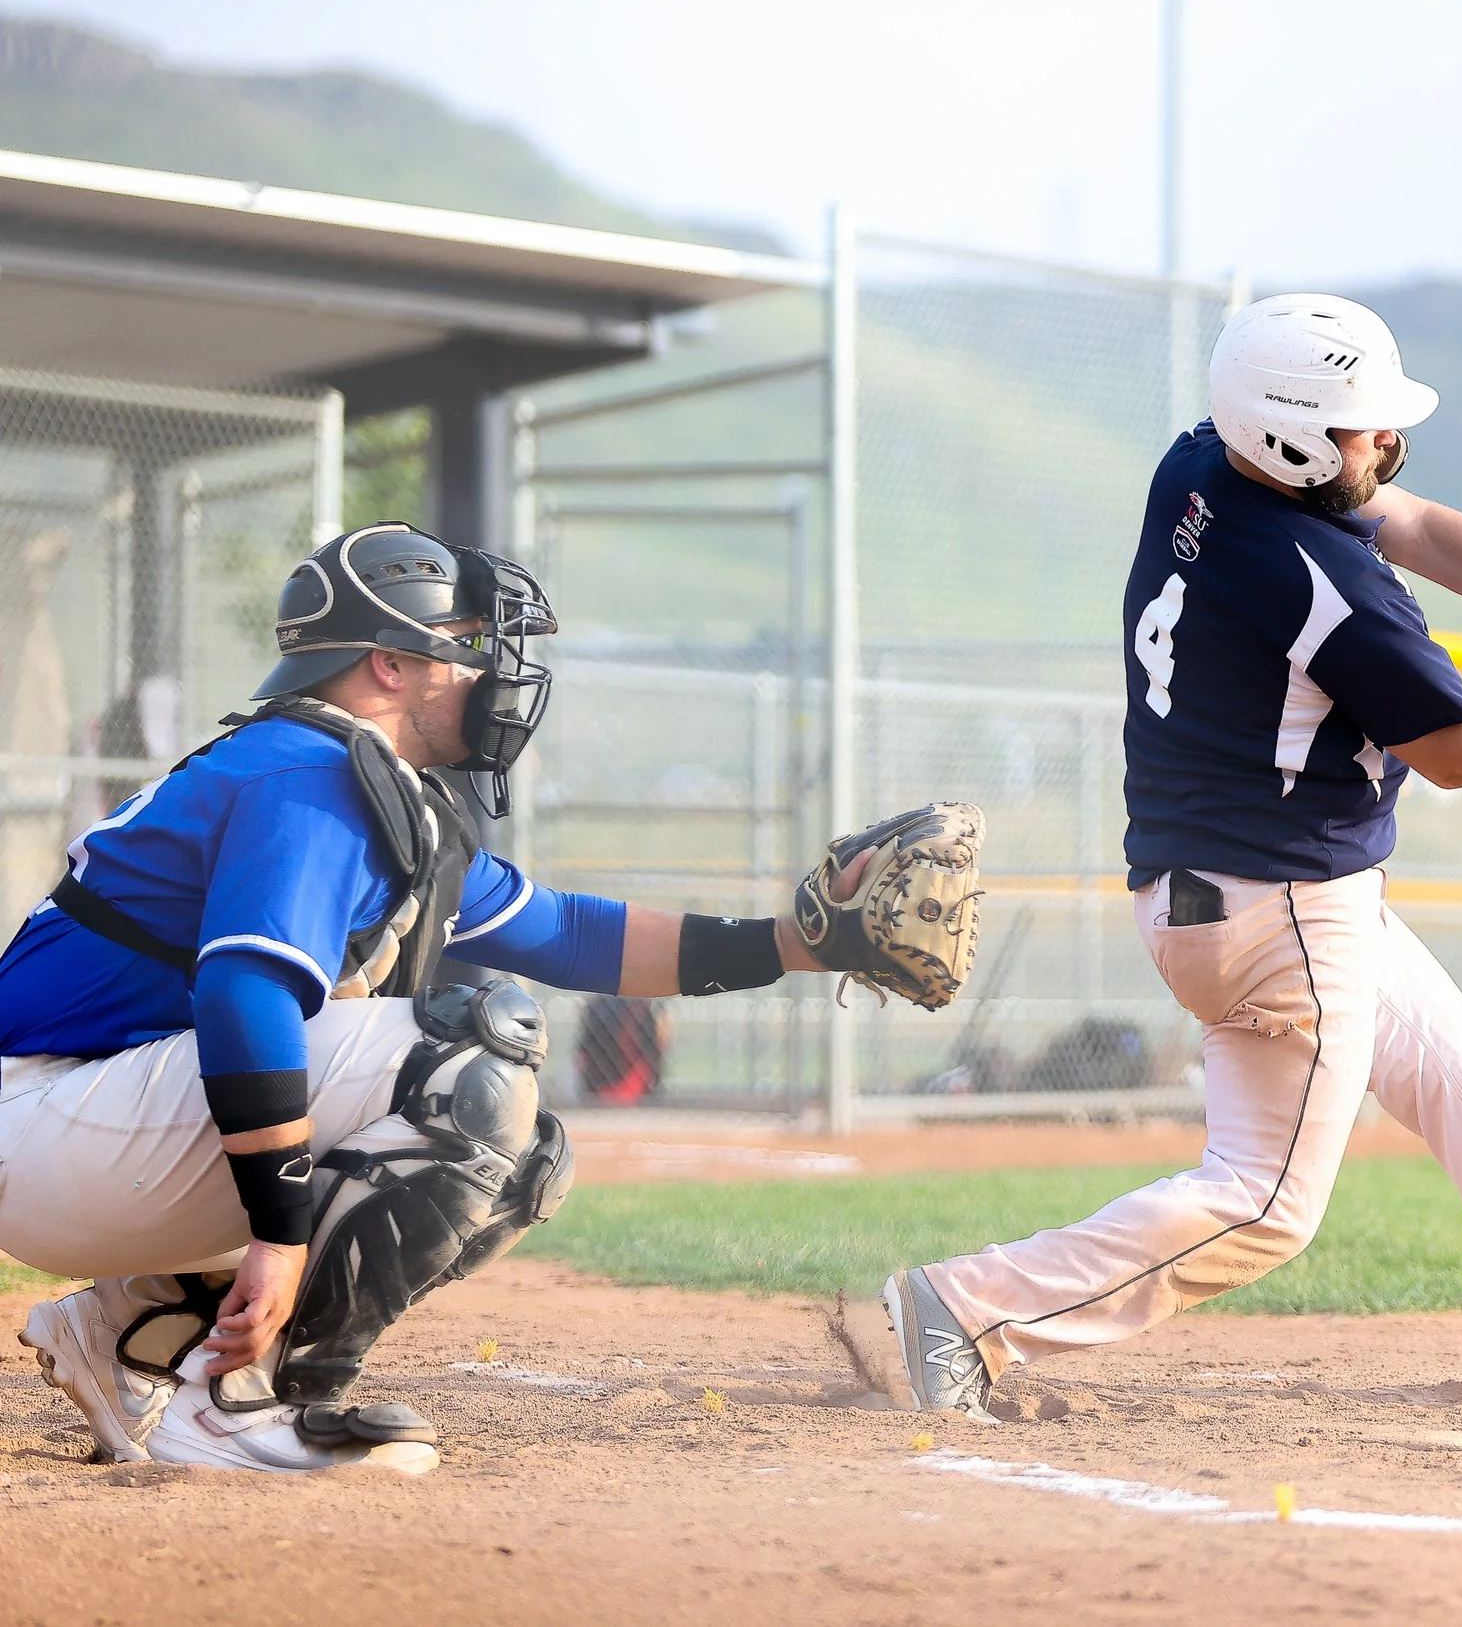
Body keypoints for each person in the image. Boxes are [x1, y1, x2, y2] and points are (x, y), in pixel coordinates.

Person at [884, 294, 1462, 1418]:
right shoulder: (1326, 588)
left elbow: (1412, 518)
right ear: (1294, 440)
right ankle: (966, 1306)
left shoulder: (1201, 466)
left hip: (1241, 893)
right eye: (1360, 428)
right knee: (1264, 1203)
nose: (1385, 444)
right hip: (1282, 917)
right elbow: (1458, 751)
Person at [0, 522, 982, 1473]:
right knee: (464, 1068)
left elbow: (566, 931)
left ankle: (128, 1332)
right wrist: (277, 1232)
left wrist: (795, 943)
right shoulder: (310, 773)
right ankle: (244, 1401)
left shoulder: (346, 776)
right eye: (464, 646)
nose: (489, 672)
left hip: (80, 1122)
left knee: (522, 1152)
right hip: (45, 1117)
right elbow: (242, 995)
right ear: (387, 661)